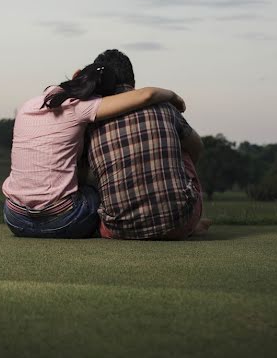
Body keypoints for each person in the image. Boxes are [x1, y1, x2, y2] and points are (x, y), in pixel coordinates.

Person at [2, 62, 185, 238]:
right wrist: (174, 97)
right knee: (97, 193)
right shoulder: (81, 107)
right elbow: (147, 96)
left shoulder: (28, 106)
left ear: (75, 74)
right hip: (62, 222)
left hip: (14, 218)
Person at [86, 50, 210, 240]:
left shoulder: (91, 118)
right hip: (178, 221)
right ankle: (187, 222)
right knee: (184, 145)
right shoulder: (164, 106)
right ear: (132, 81)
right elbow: (197, 147)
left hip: (119, 230)